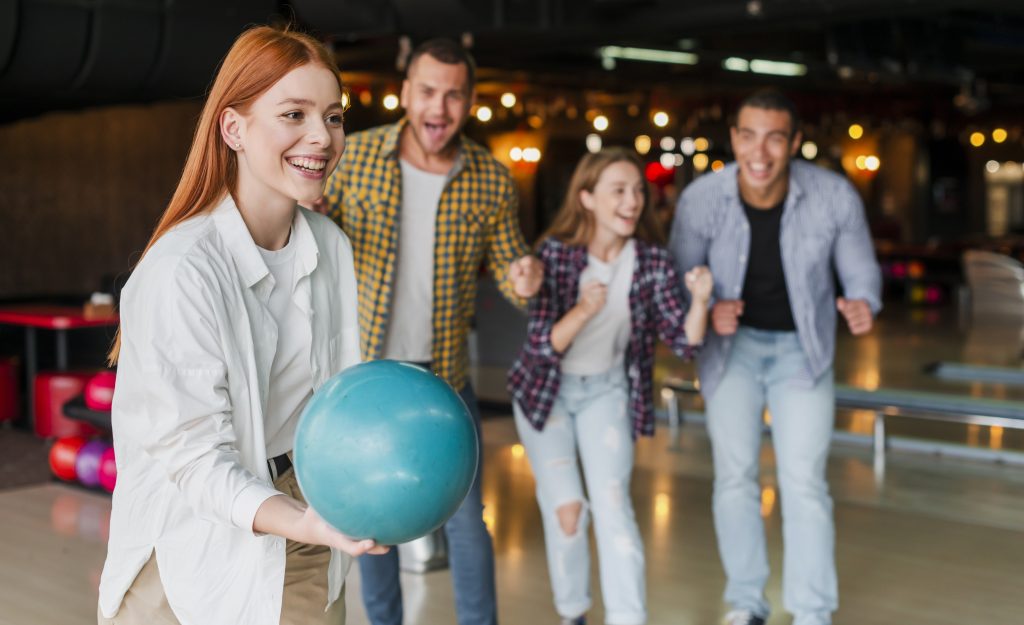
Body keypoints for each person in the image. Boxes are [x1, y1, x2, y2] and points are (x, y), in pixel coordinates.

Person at [97, 26, 387, 625]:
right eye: (293, 114)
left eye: (333, 118)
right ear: (234, 129)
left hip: (306, 509)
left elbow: (337, 394)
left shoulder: (329, 246)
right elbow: (197, 460)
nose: (321, 137)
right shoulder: (182, 269)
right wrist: (301, 518)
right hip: (188, 540)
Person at [322, 38, 542, 625]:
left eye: (452, 95)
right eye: (427, 91)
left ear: (469, 102)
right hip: (365, 378)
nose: (438, 108)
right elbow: (313, 233)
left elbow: (511, 267)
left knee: (468, 521)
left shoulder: (491, 180)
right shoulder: (356, 156)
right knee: (371, 519)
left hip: (444, 378)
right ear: (406, 93)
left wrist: (526, 278)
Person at [670, 89, 882, 625]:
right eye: (748, 136)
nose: (759, 152)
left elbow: (861, 271)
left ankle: (812, 611)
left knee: (804, 481)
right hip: (730, 352)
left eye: (774, 137)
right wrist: (707, 308)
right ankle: (747, 602)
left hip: (802, 354)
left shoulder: (833, 196)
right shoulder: (701, 199)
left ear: (794, 142)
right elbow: (677, 282)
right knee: (735, 476)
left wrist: (863, 302)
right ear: (734, 138)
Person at [507, 148, 712, 625]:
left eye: (638, 190)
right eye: (618, 190)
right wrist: (582, 310)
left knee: (615, 509)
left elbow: (685, 342)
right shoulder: (556, 254)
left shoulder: (652, 263)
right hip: (545, 395)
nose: (633, 200)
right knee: (569, 513)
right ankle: (573, 613)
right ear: (587, 199)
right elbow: (541, 349)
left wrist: (700, 299)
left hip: (607, 392)